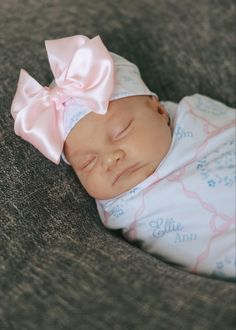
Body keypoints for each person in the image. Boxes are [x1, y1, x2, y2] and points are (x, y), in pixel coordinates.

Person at [11, 34, 236, 280]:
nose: (110, 159)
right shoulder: (125, 209)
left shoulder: (203, 122)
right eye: (88, 162)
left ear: (160, 111)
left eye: (122, 131)